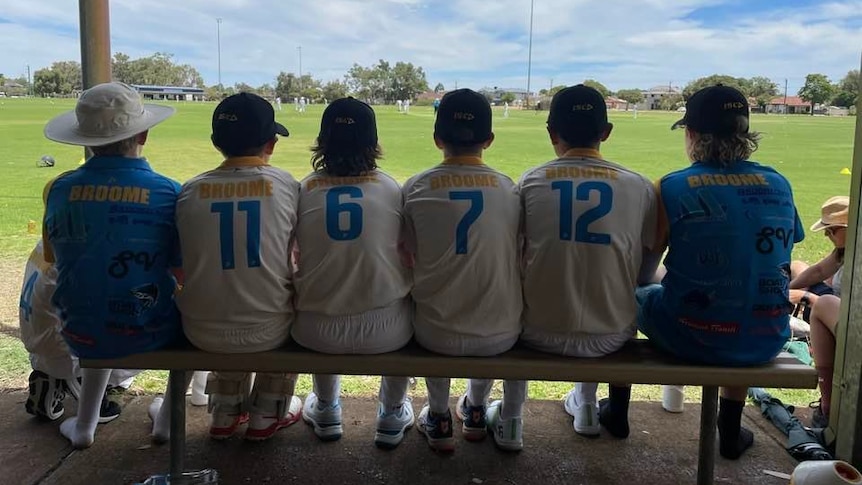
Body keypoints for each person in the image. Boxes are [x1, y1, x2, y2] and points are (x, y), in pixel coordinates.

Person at [637, 84, 804, 459]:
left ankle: (614, 413)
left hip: (689, 334)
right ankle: (729, 427)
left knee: (636, 294)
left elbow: (644, 273)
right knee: (746, 299)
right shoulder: (779, 183)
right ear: (745, 134)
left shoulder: (671, 185)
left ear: (692, 134)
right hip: (766, 336)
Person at [41, 81, 183, 449]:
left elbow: (52, 258)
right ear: (143, 135)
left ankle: (85, 425)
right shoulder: (168, 191)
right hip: (149, 329)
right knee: (197, 314)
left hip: (78, 330)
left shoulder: (59, 188)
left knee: (97, 288)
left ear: (84, 139)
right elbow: (182, 269)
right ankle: (167, 420)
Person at [519, 85, 657, 440]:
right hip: (611, 336)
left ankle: (515, 413)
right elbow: (643, 272)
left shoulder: (530, 182)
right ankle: (585, 402)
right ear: (606, 133)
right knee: (608, 278)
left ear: (552, 134)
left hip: (536, 331)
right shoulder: (639, 186)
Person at [169, 92, 302, 442]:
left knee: (230, 290)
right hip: (268, 329)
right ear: (271, 143)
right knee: (286, 303)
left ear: (216, 142)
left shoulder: (190, 190)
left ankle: (226, 409)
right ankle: (266, 412)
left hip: (199, 329)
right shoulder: (287, 185)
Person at [402, 89, 524, 452]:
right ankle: (475, 410)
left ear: (438, 138)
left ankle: (438, 416)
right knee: (488, 294)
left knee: (431, 299)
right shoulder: (510, 189)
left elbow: (405, 254)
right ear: (489, 140)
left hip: (434, 333)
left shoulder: (415, 186)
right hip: (499, 334)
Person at [292, 97, 414, 449]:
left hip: (315, 332)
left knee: (327, 286)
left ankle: (327, 407)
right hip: (387, 332)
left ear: (322, 142)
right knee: (408, 293)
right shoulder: (392, 189)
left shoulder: (303, 190)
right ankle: (391, 412)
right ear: (373, 145)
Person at [19, 240, 131, 423]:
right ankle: (85, 384)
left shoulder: (52, 237)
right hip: (68, 349)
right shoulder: (93, 250)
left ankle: (53, 377)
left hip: (38, 341)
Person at [789, 195, 849, 428]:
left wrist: (808, 298)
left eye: (831, 230)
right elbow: (817, 271)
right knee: (798, 267)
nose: (827, 235)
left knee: (823, 303)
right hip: (836, 302)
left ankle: (828, 404)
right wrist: (784, 291)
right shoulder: (843, 252)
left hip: (838, 310)